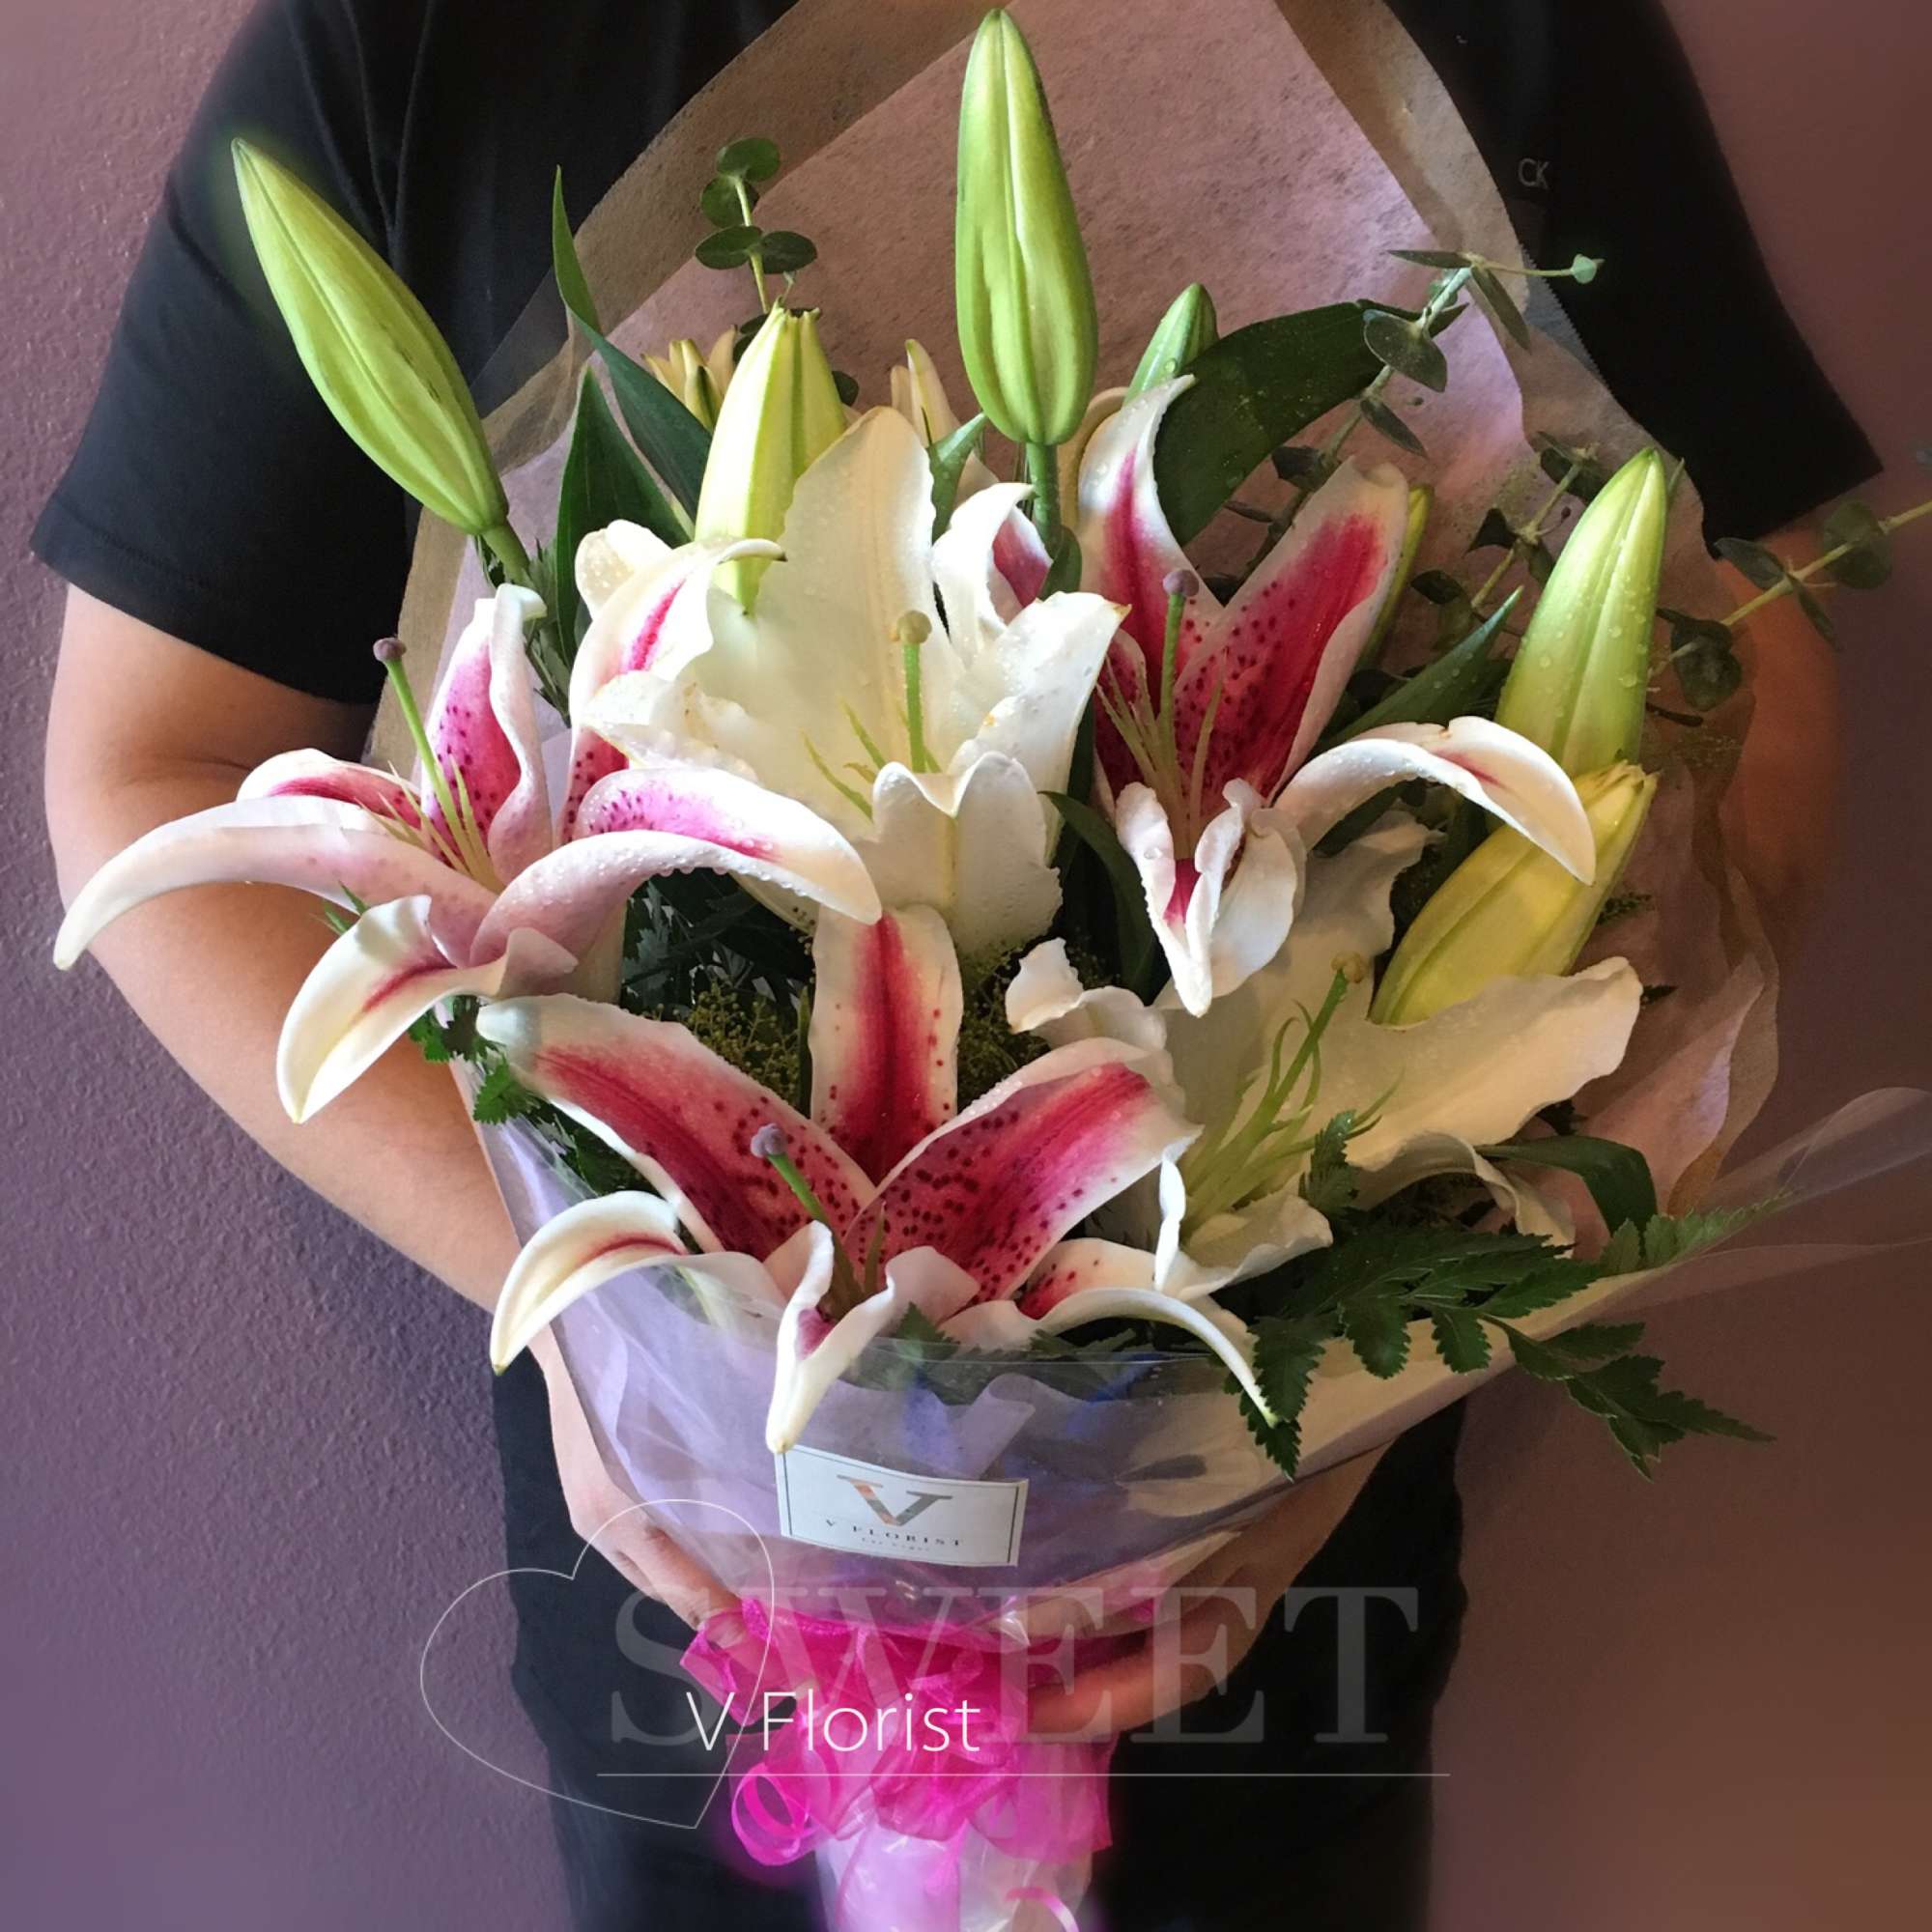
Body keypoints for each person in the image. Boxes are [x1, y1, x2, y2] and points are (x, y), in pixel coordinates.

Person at [37, 1, 1869, 1925]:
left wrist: (1352, 1392)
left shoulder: (1503, 24)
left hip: (1282, 1605)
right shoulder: (418, 44)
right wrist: (600, 1317)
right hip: (699, 1611)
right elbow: (150, 773)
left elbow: (1743, 710)